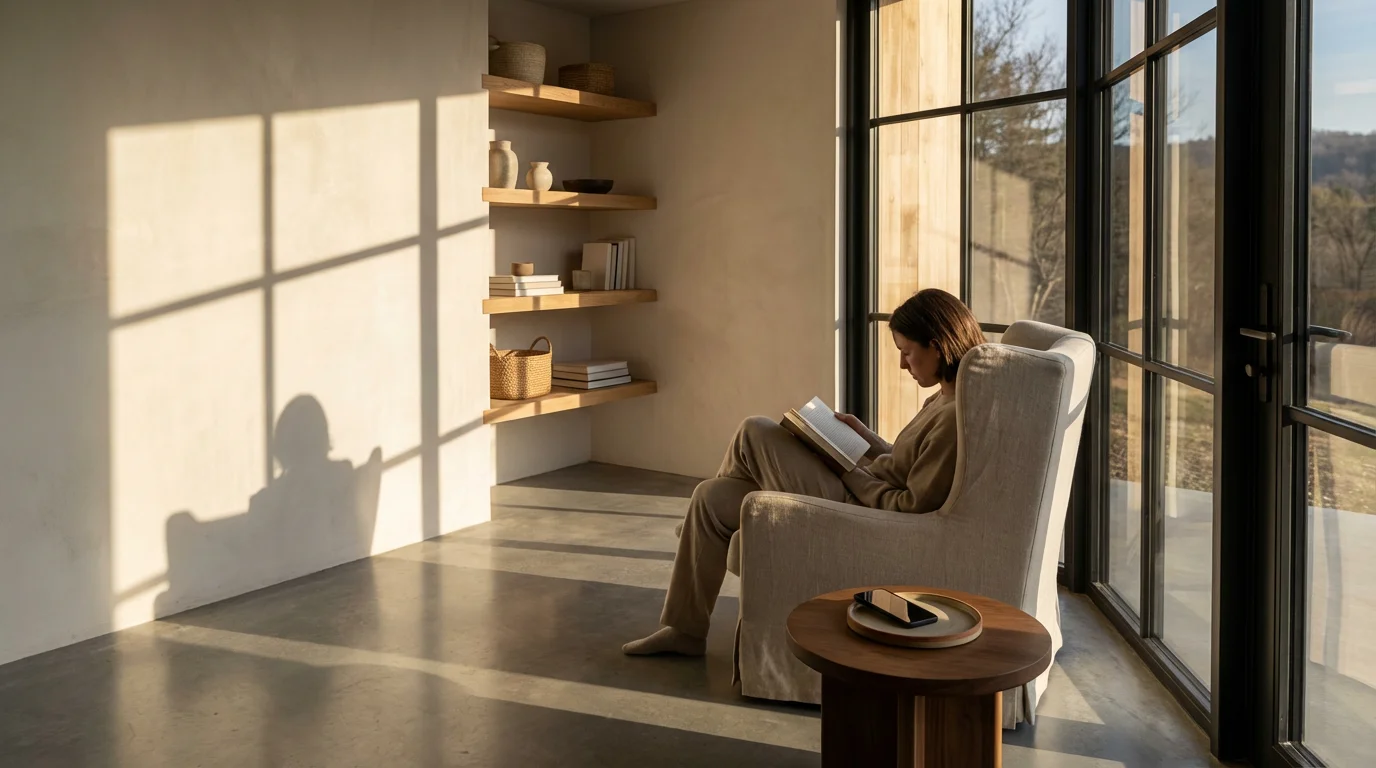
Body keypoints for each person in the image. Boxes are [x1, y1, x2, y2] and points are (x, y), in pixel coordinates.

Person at [622, 288, 986, 656]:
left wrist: (845, 470)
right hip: (865, 485)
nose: (904, 365)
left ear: (937, 346)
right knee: (710, 499)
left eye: (907, 353)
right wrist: (867, 438)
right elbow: (908, 463)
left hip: (864, 512)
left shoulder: (953, 419)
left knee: (756, 430)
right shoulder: (944, 394)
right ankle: (684, 632)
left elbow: (907, 506)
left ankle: (697, 535)